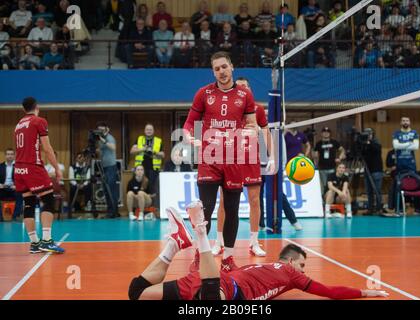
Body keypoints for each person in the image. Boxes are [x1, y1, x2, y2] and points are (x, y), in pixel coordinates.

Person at [129, 202, 389, 300]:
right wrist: (365, 292)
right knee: (210, 300)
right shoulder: (290, 274)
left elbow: (232, 271)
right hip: (223, 292)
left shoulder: (257, 269)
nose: (302, 271)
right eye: (301, 265)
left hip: (214, 283)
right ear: (289, 260)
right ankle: (199, 231)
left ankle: (175, 243)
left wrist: (208, 263)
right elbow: (329, 292)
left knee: (136, 293)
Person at [183, 51, 257, 272]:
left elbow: (252, 124)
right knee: (204, 210)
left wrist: (249, 133)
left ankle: (229, 259)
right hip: (209, 158)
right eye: (217, 69)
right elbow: (188, 124)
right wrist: (190, 138)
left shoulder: (245, 95)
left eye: (224, 67)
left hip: (234, 160)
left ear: (231, 66)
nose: (221, 72)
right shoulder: (203, 93)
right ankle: (200, 254)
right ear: (213, 71)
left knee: (232, 209)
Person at [212, 77, 272, 258]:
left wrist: (271, 155)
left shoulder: (258, 109)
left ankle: (254, 242)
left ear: (250, 89)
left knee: (255, 200)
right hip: (231, 158)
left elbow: (266, 130)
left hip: (252, 159)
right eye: (240, 87)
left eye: (246, 86)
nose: (243, 89)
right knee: (224, 201)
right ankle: (219, 241)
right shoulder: (228, 109)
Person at [14, 97, 64, 253]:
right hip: (32, 166)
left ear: (24, 110)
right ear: (37, 107)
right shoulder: (39, 121)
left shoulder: (18, 125)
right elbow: (47, 149)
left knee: (28, 203)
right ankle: (47, 241)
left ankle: (34, 243)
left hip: (19, 168)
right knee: (48, 199)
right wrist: (57, 168)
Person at [392, 116, 420, 214]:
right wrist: (409, 143)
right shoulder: (396, 133)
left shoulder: (414, 133)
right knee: (399, 186)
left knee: (417, 185)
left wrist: (402, 145)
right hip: (400, 164)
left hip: (411, 165)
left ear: (410, 122)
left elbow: (416, 147)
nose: (405, 122)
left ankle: (418, 209)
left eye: (407, 120)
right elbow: (395, 146)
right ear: (401, 122)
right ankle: (399, 209)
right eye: (403, 120)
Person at [130, 123, 164, 207]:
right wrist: (143, 149)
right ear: (144, 131)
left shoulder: (158, 140)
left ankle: (153, 209)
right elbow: (132, 151)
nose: (149, 131)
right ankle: (140, 208)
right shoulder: (139, 139)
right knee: (141, 189)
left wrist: (154, 152)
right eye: (147, 129)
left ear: (153, 131)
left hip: (153, 169)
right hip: (140, 170)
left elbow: (163, 155)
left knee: (153, 190)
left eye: (150, 129)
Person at [96, 121, 119, 218]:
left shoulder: (109, 138)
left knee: (111, 189)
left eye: (102, 129)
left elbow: (113, 148)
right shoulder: (101, 139)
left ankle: (113, 211)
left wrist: (103, 140)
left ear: (106, 129)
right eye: (99, 129)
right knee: (106, 189)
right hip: (104, 166)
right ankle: (110, 210)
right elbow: (101, 151)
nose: (100, 131)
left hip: (111, 167)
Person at [313, 127, 346, 192]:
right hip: (322, 167)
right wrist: (315, 164)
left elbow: (342, 150)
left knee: (332, 184)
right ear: (322, 133)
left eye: (327, 132)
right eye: (324, 132)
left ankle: (331, 199)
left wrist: (339, 158)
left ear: (330, 133)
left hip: (332, 167)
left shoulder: (334, 142)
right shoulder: (318, 143)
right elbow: (315, 155)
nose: (326, 133)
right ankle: (326, 199)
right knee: (325, 185)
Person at [360, 128, 384, 214]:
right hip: (367, 170)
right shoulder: (364, 144)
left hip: (376, 170)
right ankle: (370, 208)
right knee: (369, 191)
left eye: (369, 134)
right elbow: (360, 154)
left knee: (377, 190)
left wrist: (369, 142)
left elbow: (376, 149)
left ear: (372, 134)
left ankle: (379, 208)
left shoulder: (376, 143)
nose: (368, 135)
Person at [0, 148, 23, 220]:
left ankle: (15, 216)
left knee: (20, 195)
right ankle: (0, 218)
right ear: (5, 155)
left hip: (14, 188)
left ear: (14, 155)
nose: (9, 156)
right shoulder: (0, 166)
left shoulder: (19, 166)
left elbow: (22, 179)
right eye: (8, 154)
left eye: (11, 154)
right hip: (2, 188)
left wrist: (17, 186)